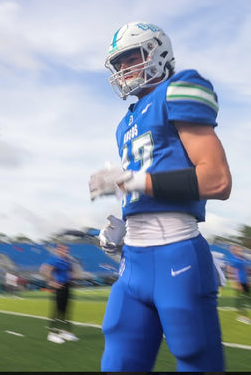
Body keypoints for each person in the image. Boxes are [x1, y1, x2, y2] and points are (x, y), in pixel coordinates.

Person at [89, 21, 232, 372]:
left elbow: (217, 180)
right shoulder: (125, 124)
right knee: (119, 361)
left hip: (176, 253)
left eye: (131, 58)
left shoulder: (178, 89)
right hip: (133, 263)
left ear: (157, 52)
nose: (124, 69)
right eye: (118, 63)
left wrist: (135, 181)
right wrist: (125, 229)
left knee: (196, 357)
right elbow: (147, 183)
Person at [40, 243, 79, 343]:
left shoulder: (67, 260)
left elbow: (71, 271)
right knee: (56, 311)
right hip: (58, 287)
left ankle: (65, 332)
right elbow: (43, 270)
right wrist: (51, 281)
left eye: (67, 250)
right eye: (64, 249)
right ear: (58, 250)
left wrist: (72, 276)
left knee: (65, 310)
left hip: (67, 286)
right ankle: (52, 334)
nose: (66, 251)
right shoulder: (54, 259)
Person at [228, 244, 251, 324]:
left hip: (246, 281)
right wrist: (235, 283)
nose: (240, 251)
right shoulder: (233, 259)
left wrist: (249, 282)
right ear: (234, 251)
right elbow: (232, 271)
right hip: (239, 282)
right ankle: (241, 316)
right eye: (238, 250)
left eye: (241, 250)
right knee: (241, 300)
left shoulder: (243, 259)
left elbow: (246, 271)